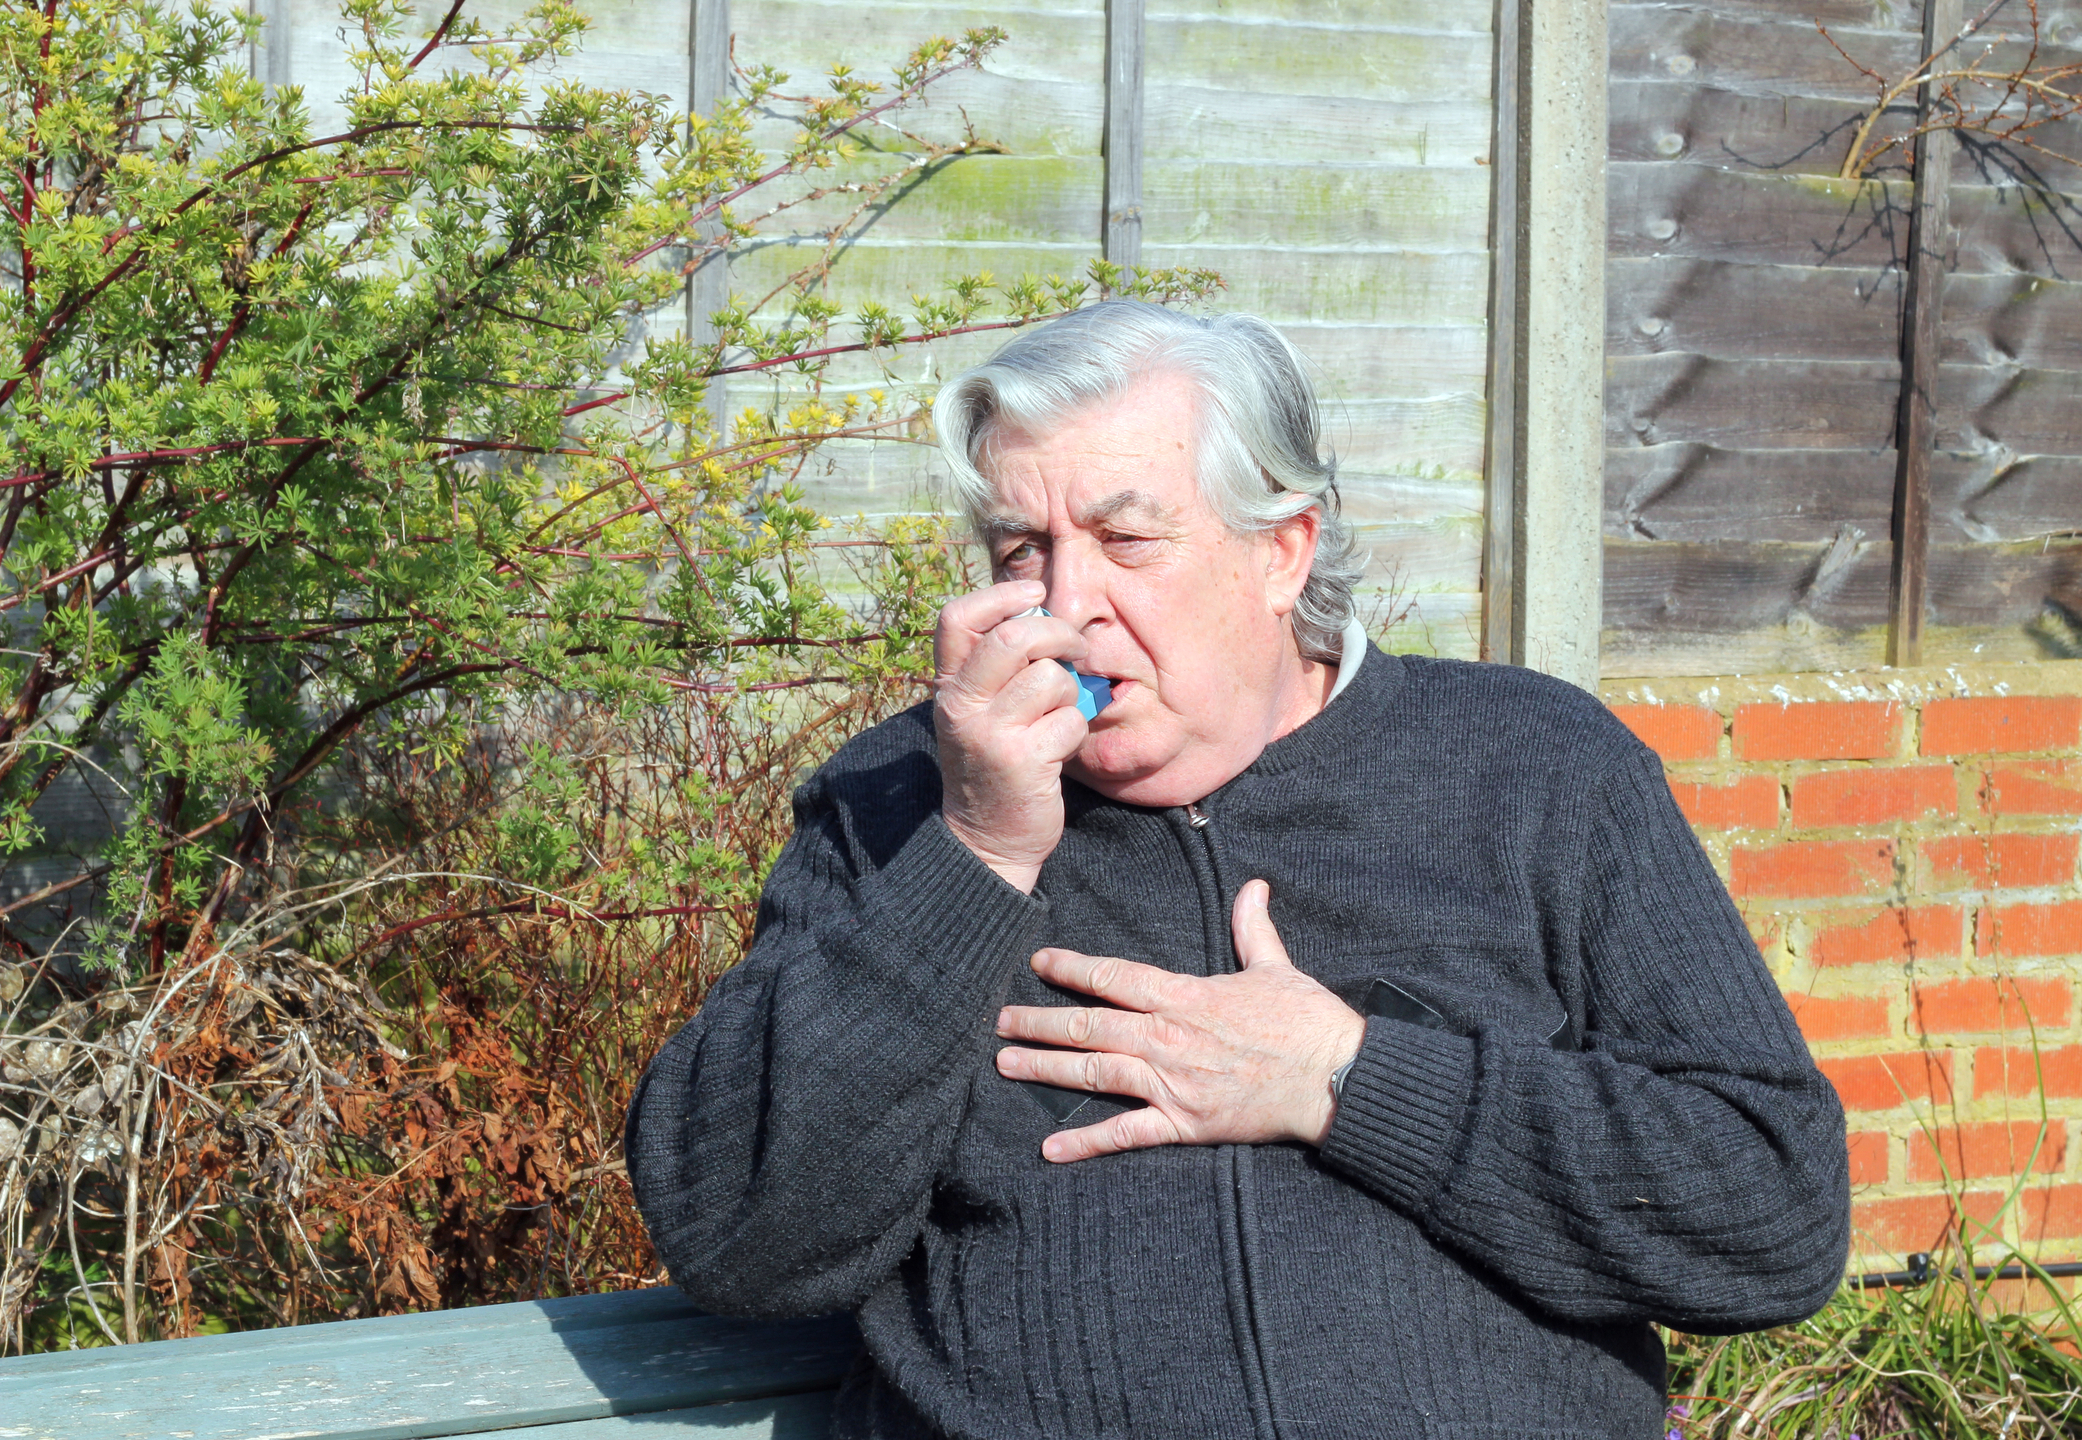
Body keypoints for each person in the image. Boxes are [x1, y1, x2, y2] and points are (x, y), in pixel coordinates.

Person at [625, 301, 1850, 1440]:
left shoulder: (1535, 768)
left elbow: (1772, 1215)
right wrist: (976, 855)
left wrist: (1349, 1079)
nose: (1065, 606)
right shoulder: (900, 800)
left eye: (1127, 540)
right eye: (1020, 549)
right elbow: (741, 1241)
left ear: (1284, 552)